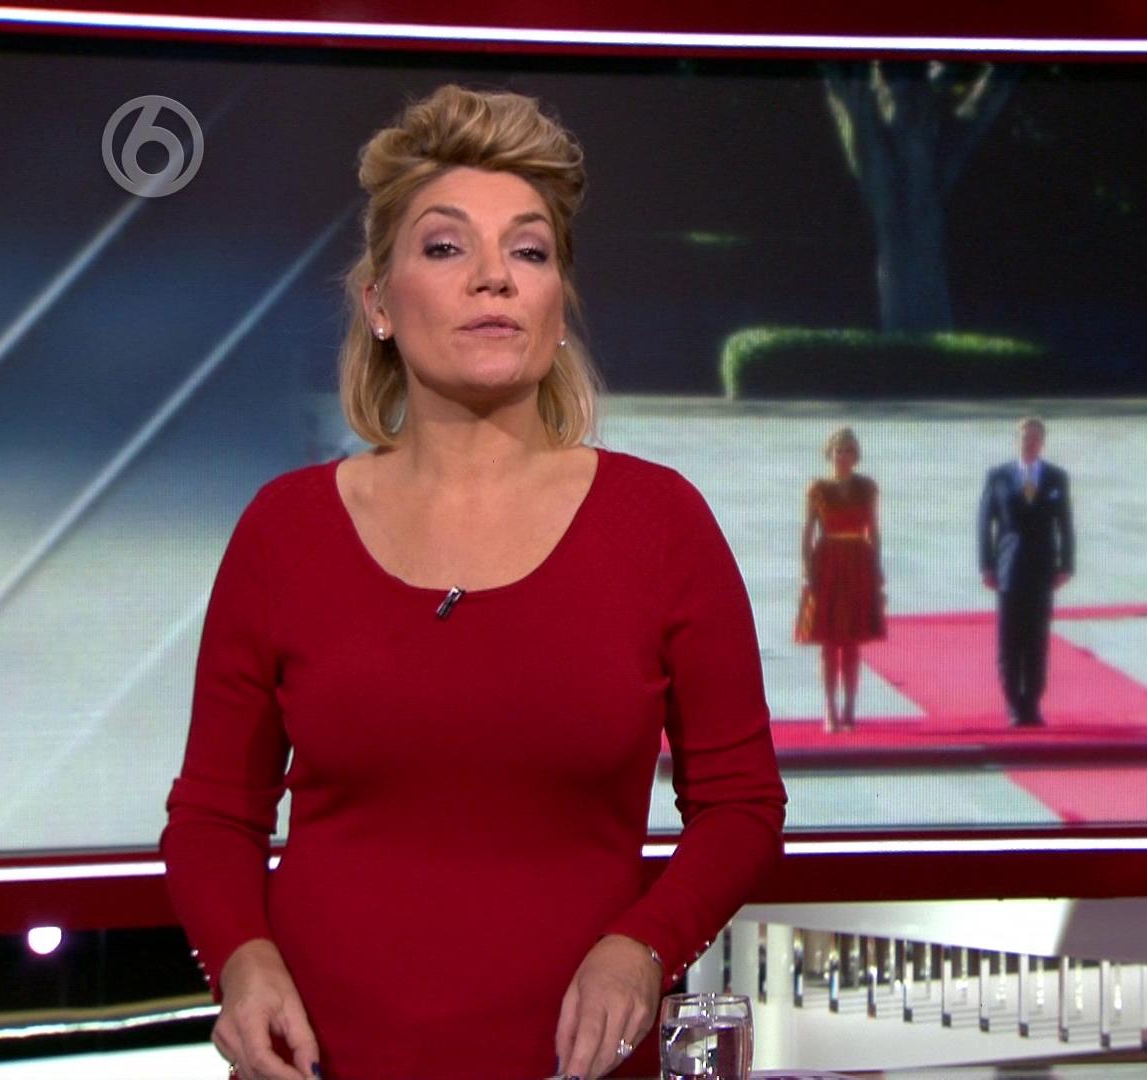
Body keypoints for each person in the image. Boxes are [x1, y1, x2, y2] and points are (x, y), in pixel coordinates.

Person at [160, 85, 787, 1080]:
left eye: (529, 252)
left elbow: (743, 804)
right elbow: (213, 816)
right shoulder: (285, 531)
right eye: (447, 246)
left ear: (556, 305)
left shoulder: (660, 524)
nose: (494, 276)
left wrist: (645, 946)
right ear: (378, 301)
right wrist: (241, 961)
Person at [978, 417, 1075, 727]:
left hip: (1043, 569)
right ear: (1016, 441)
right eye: (1024, 438)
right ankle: (1012, 703)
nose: (1029, 443)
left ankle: (1032, 703)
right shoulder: (998, 476)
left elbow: (1065, 524)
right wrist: (986, 565)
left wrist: (1067, 564)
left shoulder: (1056, 477)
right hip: (1008, 568)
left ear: (1042, 443)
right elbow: (985, 523)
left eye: (1034, 438)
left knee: (1037, 639)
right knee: (1010, 639)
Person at [794, 426, 887, 732]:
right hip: (828, 563)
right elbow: (808, 532)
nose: (843, 456)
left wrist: (876, 570)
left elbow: (873, 531)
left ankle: (849, 707)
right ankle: (830, 708)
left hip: (858, 563)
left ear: (855, 455)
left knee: (852, 641)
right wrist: (807, 570)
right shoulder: (818, 489)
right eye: (838, 451)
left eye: (848, 451)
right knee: (829, 641)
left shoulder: (867, 488)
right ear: (830, 454)